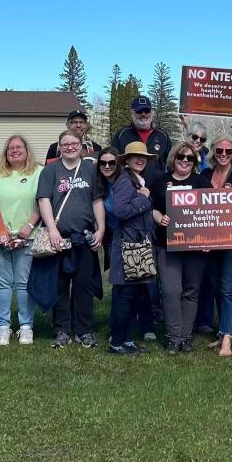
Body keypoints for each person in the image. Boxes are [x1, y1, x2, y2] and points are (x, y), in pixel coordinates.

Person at [37, 129, 106, 348]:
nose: (70, 147)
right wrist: (52, 231)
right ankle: (61, 330)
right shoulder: (50, 170)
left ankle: (83, 330)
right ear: (59, 147)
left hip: (83, 237)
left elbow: (97, 200)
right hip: (59, 237)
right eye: (65, 144)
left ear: (81, 145)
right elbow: (44, 200)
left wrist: (101, 229)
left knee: (83, 285)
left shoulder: (89, 169)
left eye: (74, 143)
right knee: (59, 286)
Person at [151, 141, 211, 354]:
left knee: (191, 291)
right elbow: (153, 209)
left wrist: (209, 241)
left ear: (195, 162)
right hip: (167, 246)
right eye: (181, 157)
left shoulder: (202, 182)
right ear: (173, 159)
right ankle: (173, 336)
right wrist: (160, 219)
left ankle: (185, 337)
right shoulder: (161, 181)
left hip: (195, 249)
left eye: (190, 158)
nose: (185, 161)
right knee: (169, 291)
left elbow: (215, 213)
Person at [0, 135, 42, 346]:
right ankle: (3, 327)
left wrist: (29, 226)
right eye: (10, 148)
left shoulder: (38, 172)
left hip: (28, 236)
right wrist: (0, 232)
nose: (14, 150)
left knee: (24, 283)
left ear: (27, 151)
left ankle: (26, 326)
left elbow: (43, 202)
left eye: (19, 147)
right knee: (1, 282)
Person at [199, 134, 232, 357]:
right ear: (212, 152)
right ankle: (223, 331)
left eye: (228, 152)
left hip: (230, 241)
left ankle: (228, 337)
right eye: (219, 151)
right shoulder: (203, 175)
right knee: (215, 285)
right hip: (207, 242)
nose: (223, 155)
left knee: (228, 287)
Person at [97, 146, 155, 341]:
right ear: (127, 160)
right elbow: (120, 211)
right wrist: (143, 199)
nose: (140, 159)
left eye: (143, 157)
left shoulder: (136, 180)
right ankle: (118, 342)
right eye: (135, 157)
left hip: (137, 244)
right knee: (125, 295)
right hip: (128, 244)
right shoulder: (125, 181)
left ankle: (127, 340)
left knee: (133, 294)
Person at [111, 96, 172, 185]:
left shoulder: (163, 135)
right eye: (139, 111)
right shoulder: (122, 135)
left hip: (156, 189)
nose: (143, 114)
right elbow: (113, 160)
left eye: (146, 111)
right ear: (133, 113)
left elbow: (171, 162)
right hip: (129, 188)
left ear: (152, 112)